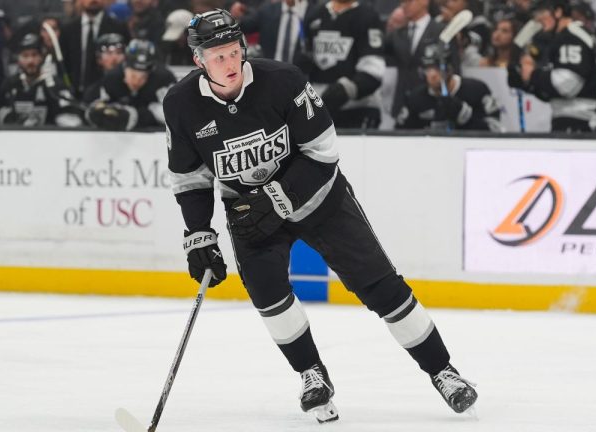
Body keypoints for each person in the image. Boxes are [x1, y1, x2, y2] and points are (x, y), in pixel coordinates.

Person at [164, 8, 477, 424]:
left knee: (382, 288)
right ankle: (311, 374)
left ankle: (444, 371)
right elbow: (190, 178)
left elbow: (324, 152)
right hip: (248, 214)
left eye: (234, 51)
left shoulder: (284, 80)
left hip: (322, 202)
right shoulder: (181, 104)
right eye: (217, 56)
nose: (229, 63)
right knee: (269, 297)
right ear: (198, 61)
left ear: (244, 48)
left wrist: (276, 196)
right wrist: (199, 235)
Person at [507, 0, 596, 132]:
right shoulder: (563, 37)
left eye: (541, 12)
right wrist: (525, 80)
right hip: (569, 117)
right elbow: (551, 91)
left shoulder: (571, 36)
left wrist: (532, 75)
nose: (537, 18)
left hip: (580, 120)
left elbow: (567, 85)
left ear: (558, 12)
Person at [297, 0, 386, 128]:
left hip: (357, 109)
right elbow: (306, 53)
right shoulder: (315, 14)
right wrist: (302, 65)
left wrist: (347, 88)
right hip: (318, 108)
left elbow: (374, 69)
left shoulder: (368, 16)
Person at [396, 42, 502, 131]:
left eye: (437, 68)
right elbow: (400, 134)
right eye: (428, 69)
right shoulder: (415, 98)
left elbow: (496, 128)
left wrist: (466, 118)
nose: (432, 74)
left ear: (450, 69)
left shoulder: (477, 89)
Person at [0, 33, 82, 127]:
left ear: (42, 57)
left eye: (34, 55)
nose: (30, 61)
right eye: (25, 56)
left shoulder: (55, 85)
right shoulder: (10, 84)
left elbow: (73, 119)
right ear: (18, 59)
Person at [84, 38, 175, 130]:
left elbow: (176, 115)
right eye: (133, 75)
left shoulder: (164, 80)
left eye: (143, 77)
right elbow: (92, 108)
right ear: (124, 67)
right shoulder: (112, 79)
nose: (137, 81)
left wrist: (138, 116)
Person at [385, 0, 448, 127]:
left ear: (424, 2)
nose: (404, 5)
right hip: (401, 107)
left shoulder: (442, 32)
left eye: (408, 1)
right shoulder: (397, 34)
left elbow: (453, 69)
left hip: (430, 106)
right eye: (402, 2)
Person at [58, 0, 129, 96]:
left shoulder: (119, 28)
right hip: (73, 93)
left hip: (108, 93)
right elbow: (62, 63)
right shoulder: (67, 29)